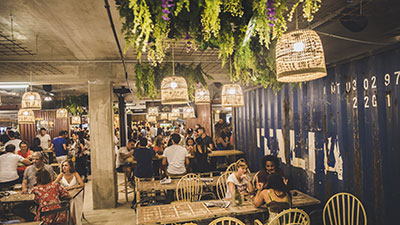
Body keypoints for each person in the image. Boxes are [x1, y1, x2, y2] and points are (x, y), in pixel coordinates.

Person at [54, 160, 84, 225]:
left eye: (66, 165)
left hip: (76, 194)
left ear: (70, 167)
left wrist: (71, 187)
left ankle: (75, 220)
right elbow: (54, 184)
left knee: (73, 200)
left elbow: (82, 184)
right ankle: (69, 220)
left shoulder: (75, 174)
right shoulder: (61, 175)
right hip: (66, 194)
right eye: (63, 166)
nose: (64, 167)